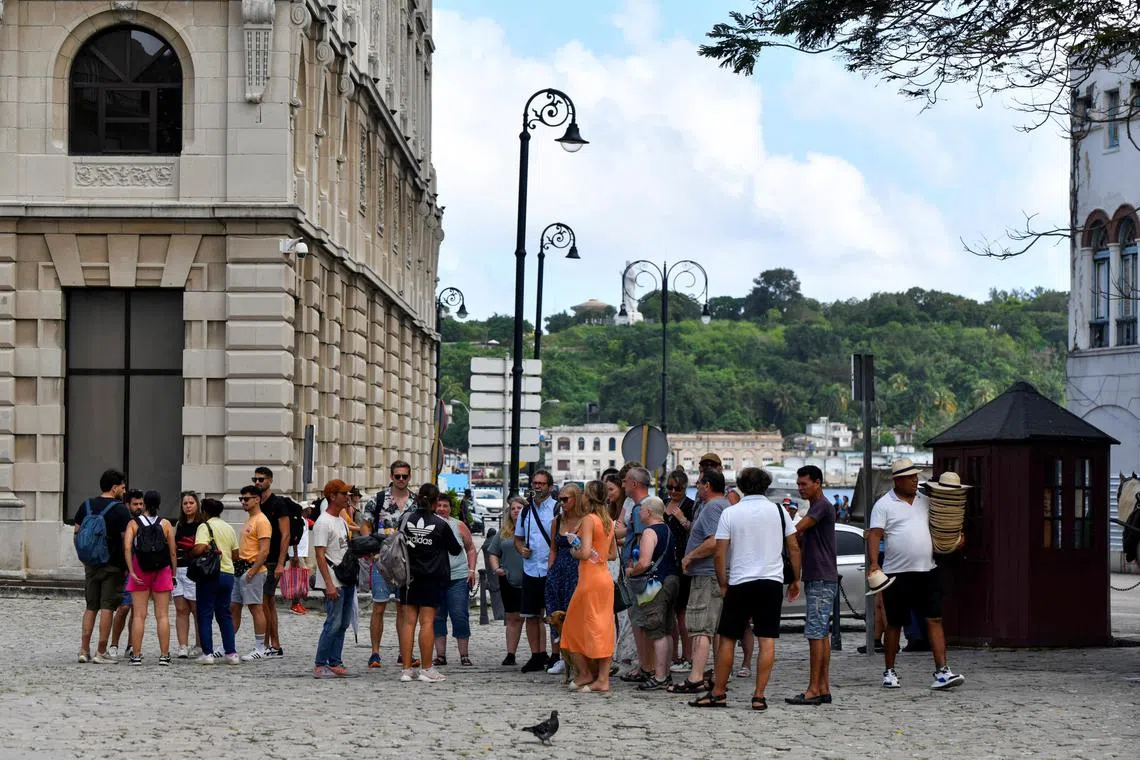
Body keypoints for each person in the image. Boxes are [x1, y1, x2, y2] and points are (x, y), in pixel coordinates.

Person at [691, 468, 800, 711]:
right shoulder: (779, 511)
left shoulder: (731, 513)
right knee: (767, 639)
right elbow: (793, 547)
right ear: (766, 486)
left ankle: (718, 692)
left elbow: (720, 553)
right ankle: (759, 695)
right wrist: (795, 579)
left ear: (741, 486)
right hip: (771, 581)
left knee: (728, 637)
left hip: (740, 581)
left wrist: (722, 582)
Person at [868, 458, 965, 690]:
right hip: (896, 573)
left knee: (934, 618)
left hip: (926, 570)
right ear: (897, 480)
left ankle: (942, 671)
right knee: (894, 623)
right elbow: (874, 534)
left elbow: (942, 524)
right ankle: (889, 671)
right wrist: (874, 564)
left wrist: (954, 540)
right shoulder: (883, 505)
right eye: (911, 477)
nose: (915, 480)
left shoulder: (926, 501)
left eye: (916, 476)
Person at [671, 469, 730, 694]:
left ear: (707, 485)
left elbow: (715, 541)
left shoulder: (714, 507)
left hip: (706, 574)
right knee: (710, 628)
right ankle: (713, 674)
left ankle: (695, 677)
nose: (697, 486)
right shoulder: (722, 506)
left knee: (701, 628)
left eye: (699, 483)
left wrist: (690, 556)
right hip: (710, 573)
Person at [396, 483, 462, 683]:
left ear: (417, 499)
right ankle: (426, 668)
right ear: (435, 502)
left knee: (408, 624)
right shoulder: (441, 524)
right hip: (432, 577)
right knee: (427, 622)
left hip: (408, 576)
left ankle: (407, 669)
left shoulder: (405, 519)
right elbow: (456, 550)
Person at [786, 465, 838, 706]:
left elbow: (796, 529)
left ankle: (814, 688)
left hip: (820, 576)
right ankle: (823, 686)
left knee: (815, 634)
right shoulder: (818, 507)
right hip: (819, 575)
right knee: (821, 634)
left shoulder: (822, 507)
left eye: (804, 484)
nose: (800, 488)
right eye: (798, 484)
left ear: (818, 483)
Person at [562, 480, 617, 693]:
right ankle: (602, 678)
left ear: (588, 497)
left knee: (572, 627)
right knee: (602, 627)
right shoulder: (609, 522)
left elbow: (584, 553)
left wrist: (573, 548)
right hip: (604, 578)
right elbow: (611, 555)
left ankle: (585, 672)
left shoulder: (588, 520)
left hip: (589, 579)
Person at [74, 469, 132, 664]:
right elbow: (127, 542)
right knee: (107, 607)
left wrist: (84, 559)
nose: (124, 491)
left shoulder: (86, 505)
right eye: (122, 487)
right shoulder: (121, 510)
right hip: (113, 565)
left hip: (90, 564)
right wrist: (128, 566)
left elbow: (77, 533)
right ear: (114, 487)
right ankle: (101, 651)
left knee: (91, 606)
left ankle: (83, 650)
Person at [626, 496, 680, 691]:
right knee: (666, 628)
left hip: (655, 583)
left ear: (648, 512)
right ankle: (665, 671)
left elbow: (644, 562)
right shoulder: (667, 529)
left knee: (655, 629)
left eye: (641, 511)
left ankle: (659, 676)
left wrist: (631, 571)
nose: (639, 514)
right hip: (672, 579)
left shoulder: (650, 531)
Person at [122, 490, 177, 665]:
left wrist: (131, 570)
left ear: (144, 503)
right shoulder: (166, 523)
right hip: (162, 569)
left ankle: (136, 655)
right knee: (162, 615)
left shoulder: (134, 523)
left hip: (140, 568)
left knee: (139, 615)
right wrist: (173, 572)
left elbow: (127, 548)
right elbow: (173, 551)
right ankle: (164, 655)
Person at [514, 469, 557, 673]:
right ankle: (536, 655)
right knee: (531, 615)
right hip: (531, 569)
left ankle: (556, 655)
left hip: (551, 570)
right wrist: (521, 549)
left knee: (554, 615)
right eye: (535, 483)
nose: (537, 486)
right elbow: (518, 538)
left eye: (541, 483)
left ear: (549, 486)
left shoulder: (557, 509)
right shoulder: (526, 511)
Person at [252, 466, 294, 658]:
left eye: (261, 479)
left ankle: (271, 643)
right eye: (255, 479)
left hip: (272, 559)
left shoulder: (278, 504)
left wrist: (280, 563)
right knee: (267, 601)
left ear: (270, 480)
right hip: (260, 558)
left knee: (264, 601)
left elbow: (285, 535)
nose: (258, 482)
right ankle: (273, 643)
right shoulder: (256, 504)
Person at [617, 466, 655, 683]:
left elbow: (642, 541)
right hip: (642, 573)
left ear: (634, 483)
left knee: (640, 621)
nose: (623, 485)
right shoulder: (647, 505)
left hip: (638, 574)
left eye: (625, 481)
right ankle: (647, 665)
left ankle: (646, 666)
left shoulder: (642, 508)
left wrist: (634, 568)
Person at [433, 491, 477, 667]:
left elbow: (471, 548)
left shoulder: (459, 526)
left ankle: (464, 655)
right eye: (439, 505)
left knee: (459, 615)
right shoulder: (429, 525)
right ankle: (440, 655)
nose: (442, 509)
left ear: (451, 508)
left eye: (445, 505)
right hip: (435, 579)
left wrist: (471, 570)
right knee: (437, 617)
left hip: (458, 577)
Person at [193, 498, 240, 665]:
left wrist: (199, 549)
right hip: (227, 574)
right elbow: (236, 555)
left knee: (205, 614)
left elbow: (199, 548)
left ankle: (207, 653)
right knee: (224, 614)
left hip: (210, 574)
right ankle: (231, 652)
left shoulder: (204, 526)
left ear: (204, 512)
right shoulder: (229, 528)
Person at [544, 483, 583, 676]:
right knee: (554, 613)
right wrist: (549, 571)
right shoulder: (557, 521)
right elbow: (553, 548)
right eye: (559, 499)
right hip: (558, 571)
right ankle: (559, 656)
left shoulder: (585, 521)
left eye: (565, 499)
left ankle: (576, 656)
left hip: (576, 571)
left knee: (573, 615)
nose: (561, 502)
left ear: (576, 499)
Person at [231, 485, 272, 661]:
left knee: (256, 608)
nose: (243, 502)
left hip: (253, 570)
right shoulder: (250, 519)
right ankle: (228, 642)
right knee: (234, 607)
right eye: (241, 499)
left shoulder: (261, 521)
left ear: (257, 499)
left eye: (246, 499)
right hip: (242, 568)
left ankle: (260, 646)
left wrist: (253, 570)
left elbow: (264, 550)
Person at [662, 468, 695, 673]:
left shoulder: (691, 506)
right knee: (669, 613)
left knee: (682, 613)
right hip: (665, 562)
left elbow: (696, 532)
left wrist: (682, 519)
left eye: (678, 488)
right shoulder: (662, 504)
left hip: (683, 562)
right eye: (670, 488)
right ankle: (672, 655)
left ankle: (688, 656)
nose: (673, 492)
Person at [488, 496, 527, 666]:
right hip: (509, 579)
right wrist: (497, 568)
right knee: (512, 618)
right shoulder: (504, 532)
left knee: (535, 617)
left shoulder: (532, 529)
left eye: (519, 508)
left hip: (530, 579)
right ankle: (511, 653)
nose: (516, 511)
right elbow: (493, 552)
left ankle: (539, 653)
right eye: (513, 509)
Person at [108, 489, 146, 659]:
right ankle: (114, 644)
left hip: (141, 570)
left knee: (136, 609)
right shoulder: (123, 522)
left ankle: (131, 644)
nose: (139, 507)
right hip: (125, 570)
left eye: (141, 504)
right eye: (135, 504)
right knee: (123, 608)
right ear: (127, 505)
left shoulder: (145, 522)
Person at [172, 491, 203, 658]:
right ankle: (182, 645)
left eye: (191, 503)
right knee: (181, 609)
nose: (188, 506)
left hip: (194, 570)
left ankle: (199, 644)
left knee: (196, 609)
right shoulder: (180, 525)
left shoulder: (202, 525)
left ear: (197, 505)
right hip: (179, 570)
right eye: (185, 503)